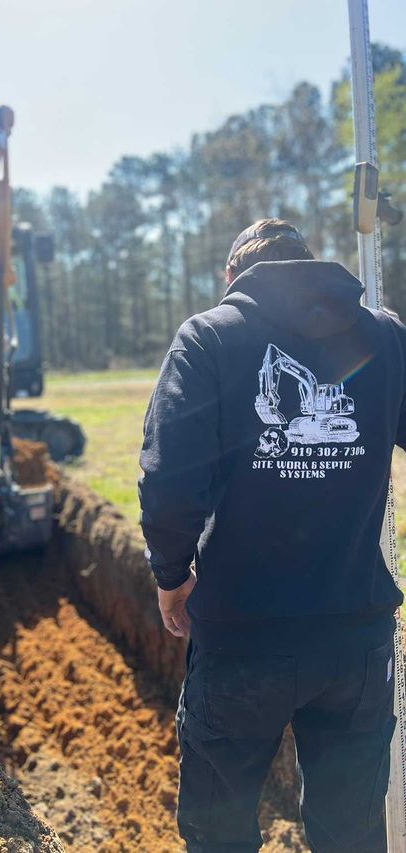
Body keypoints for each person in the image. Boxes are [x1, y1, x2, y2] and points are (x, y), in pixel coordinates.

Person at [138, 218, 405, 852]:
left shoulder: (209, 338)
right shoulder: (386, 338)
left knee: (220, 831)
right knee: (351, 834)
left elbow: (168, 484)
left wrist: (172, 579)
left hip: (241, 639)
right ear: (310, 270)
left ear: (234, 277)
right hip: (356, 640)